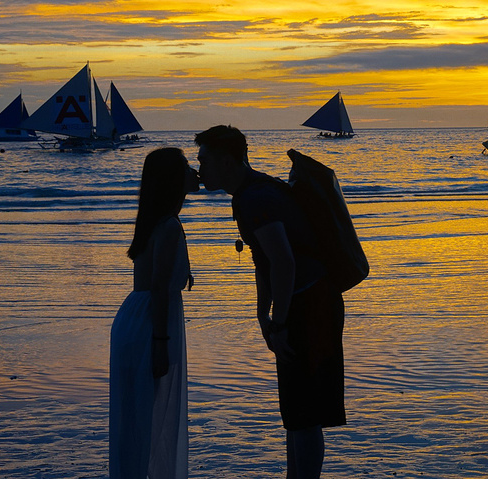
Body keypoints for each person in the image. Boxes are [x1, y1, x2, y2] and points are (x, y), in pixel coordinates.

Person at [195, 125, 346, 478]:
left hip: (309, 305)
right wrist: (262, 313)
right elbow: (263, 260)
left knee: (304, 414)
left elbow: (284, 262)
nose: (199, 169)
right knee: (296, 413)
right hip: (309, 301)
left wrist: (279, 322)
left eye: (204, 161)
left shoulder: (255, 198)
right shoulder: (252, 192)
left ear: (227, 162)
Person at [109, 147, 200, 479]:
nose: (195, 172)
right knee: (153, 415)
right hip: (151, 322)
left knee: (136, 418)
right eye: (187, 167)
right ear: (173, 179)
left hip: (137, 317)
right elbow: (160, 288)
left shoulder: (156, 222)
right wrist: (161, 342)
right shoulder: (170, 226)